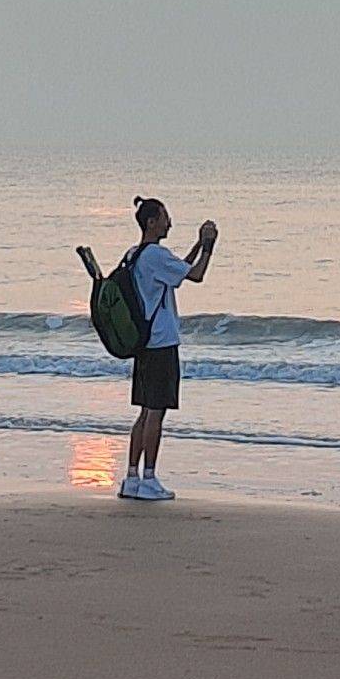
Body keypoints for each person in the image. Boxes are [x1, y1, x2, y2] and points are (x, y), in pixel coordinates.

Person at [119, 195, 217, 501]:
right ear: (152, 222)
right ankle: (149, 478)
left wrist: (198, 245)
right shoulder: (156, 255)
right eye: (164, 217)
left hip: (143, 341)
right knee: (156, 413)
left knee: (144, 411)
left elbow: (179, 272)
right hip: (162, 342)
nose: (169, 222)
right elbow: (196, 275)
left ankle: (132, 477)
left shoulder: (135, 254)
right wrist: (210, 247)